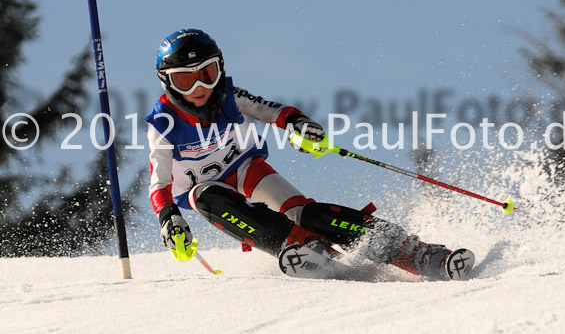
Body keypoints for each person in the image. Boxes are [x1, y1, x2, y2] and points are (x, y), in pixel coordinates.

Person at [145, 28, 473, 281]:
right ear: (168, 84)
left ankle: (419, 254)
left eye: (207, 74)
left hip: (245, 167)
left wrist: (302, 125)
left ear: (220, 70)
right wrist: (169, 218)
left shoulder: (229, 95)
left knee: (305, 212)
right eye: (185, 80)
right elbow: (158, 185)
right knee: (207, 195)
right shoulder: (164, 123)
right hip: (204, 189)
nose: (199, 88)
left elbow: (275, 112)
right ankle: (299, 246)